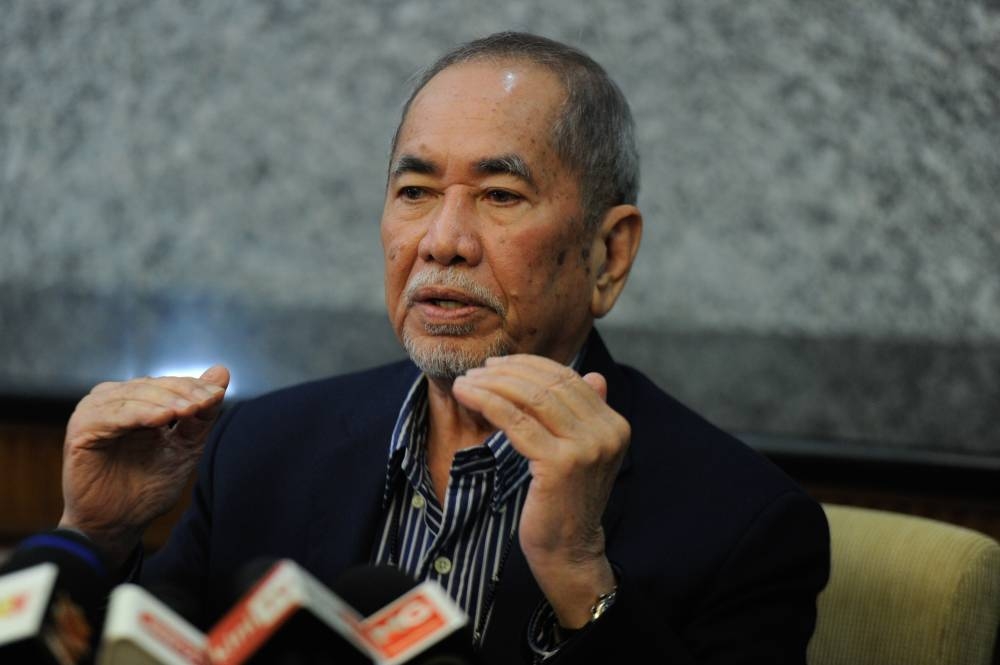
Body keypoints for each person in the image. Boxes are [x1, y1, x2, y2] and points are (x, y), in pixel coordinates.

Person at [58, 32, 829, 664]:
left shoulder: (743, 523)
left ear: (608, 254)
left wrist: (579, 574)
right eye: (416, 192)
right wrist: (96, 538)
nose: (442, 241)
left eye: (500, 195)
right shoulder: (261, 450)